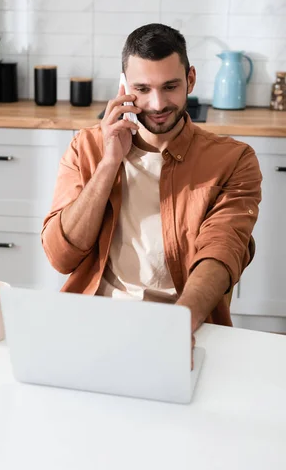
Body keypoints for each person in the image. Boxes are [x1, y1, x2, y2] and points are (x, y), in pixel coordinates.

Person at [42, 23, 262, 333]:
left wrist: (177, 327)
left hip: (183, 323)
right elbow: (60, 257)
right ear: (124, 87)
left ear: (191, 79)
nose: (158, 104)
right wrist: (109, 163)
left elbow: (221, 251)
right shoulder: (87, 146)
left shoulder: (233, 160)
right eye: (143, 89)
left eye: (170, 86)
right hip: (96, 316)